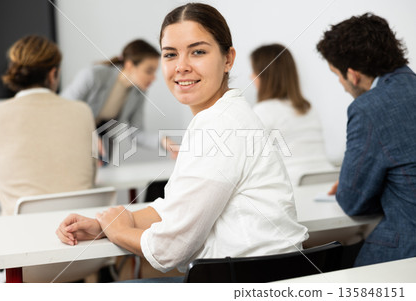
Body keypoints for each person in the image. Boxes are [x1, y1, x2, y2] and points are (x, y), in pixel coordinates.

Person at [56, 3, 308, 280]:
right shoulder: (223, 115)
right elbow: (174, 206)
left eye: (198, 52)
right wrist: (105, 224)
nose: (181, 67)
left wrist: (119, 231)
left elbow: (168, 250)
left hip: (243, 280)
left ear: (228, 59)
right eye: (170, 54)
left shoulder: (219, 124)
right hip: (259, 275)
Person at [317, 13, 416, 266]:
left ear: (353, 75)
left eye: (336, 74)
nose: (341, 84)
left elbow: (353, 202)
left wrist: (357, 181)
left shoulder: (368, 108)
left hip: (404, 253)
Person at [0, 35, 96, 216]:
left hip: (19, 237)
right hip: (78, 234)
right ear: (53, 74)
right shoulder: (83, 111)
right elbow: (91, 176)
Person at [61, 39, 176, 158]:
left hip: (103, 143)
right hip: (74, 135)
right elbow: (62, 108)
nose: (153, 78)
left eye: (155, 72)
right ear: (129, 65)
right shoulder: (93, 75)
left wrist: (164, 142)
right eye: (149, 71)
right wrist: (88, 135)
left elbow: (137, 133)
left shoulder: (139, 92)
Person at [250, 44, 335, 186]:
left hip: (292, 186)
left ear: (264, 76)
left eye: (254, 71)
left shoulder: (263, 110)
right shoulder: (308, 108)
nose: (251, 77)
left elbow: (249, 162)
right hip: (327, 181)